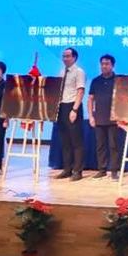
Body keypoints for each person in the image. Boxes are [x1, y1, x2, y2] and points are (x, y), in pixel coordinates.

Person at [88, 54, 124, 180]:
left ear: (112, 65)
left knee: (114, 146)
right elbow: (90, 99)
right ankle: (102, 170)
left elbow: (123, 99)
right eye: (102, 64)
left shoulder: (118, 80)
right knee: (100, 146)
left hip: (114, 119)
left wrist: (121, 117)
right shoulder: (95, 81)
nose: (104, 66)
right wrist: (91, 116)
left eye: (107, 64)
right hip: (99, 118)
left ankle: (114, 170)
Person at [55, 47, 86, 181]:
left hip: (73, 106)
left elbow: (80, 91)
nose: (65, 58)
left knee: (76, 141)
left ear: (74, 58)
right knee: (65, 140)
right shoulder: (62, 72)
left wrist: (74, 110)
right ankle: (67, 169)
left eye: (68, 56)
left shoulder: (79, 72)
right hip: (61, 107)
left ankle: (77, 171)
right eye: (63, 56)